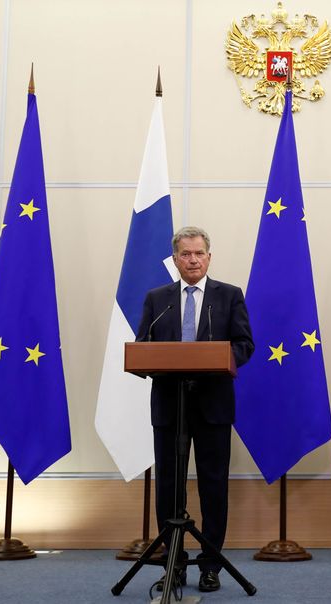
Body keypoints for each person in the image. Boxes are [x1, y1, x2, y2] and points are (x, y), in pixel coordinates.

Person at [135, 226, 254, 593]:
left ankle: (210, 566)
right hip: (170, 405)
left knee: (213, 487)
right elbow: (143, 344)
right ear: (175, 259)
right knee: (169, 488)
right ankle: (175, 564)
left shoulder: (229, 295)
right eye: (185, 254)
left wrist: (217, 359)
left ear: (209, 257)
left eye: (199, 253)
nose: (193, 260)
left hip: (213, 405)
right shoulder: (158, 299)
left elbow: (245, 345)